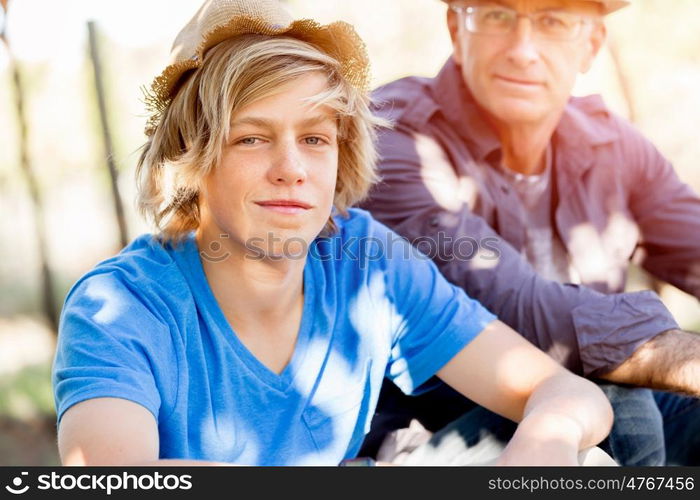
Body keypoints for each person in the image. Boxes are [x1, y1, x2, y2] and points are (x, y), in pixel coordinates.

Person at [51, 0, 614, 466]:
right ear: (191, 157)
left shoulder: (364, 260)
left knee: (585, 459)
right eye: (251, 137)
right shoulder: (121, 305)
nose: (291, 167)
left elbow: (568, 392)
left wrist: (546, 443)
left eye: (316, 139)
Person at [360, 0, 700, 465]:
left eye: (554, 21)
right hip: (431, 436)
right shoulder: (396, 140)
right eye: (497, 15)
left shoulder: (613, 147)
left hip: (577, 412)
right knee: (610, 397)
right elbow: (522, 310)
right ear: (456, 28)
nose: (523, 50)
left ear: (591, 44)